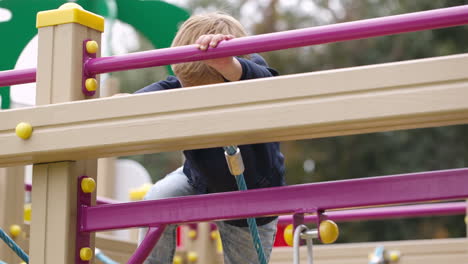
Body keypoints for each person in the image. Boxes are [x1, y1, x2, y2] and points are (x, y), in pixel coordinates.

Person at [135, 12, 286, 264]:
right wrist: (121, 103)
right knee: (155, 202)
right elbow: (138, 102)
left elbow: (269, 85)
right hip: (197, 178)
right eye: (187, 89)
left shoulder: (251, 71)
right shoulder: (181, 83)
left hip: (251, 199)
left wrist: (230, 66)